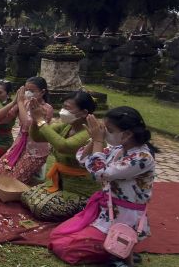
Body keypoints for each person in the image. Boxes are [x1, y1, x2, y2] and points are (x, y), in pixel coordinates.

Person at [48, 107, 156, 266]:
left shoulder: (142, 157)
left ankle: (120, 252)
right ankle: (117, 251)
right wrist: (94, 140)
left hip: (123, 218)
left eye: (109, 130)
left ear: (127, 134)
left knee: (65, 247)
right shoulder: (118, 149)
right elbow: (83, 158)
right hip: (105, 211)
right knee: (58, 234)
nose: (105, 133)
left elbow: (100, 172)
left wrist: (98, 141)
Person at [21, 91, 101, 221]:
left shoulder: (89, 134)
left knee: (42, 208)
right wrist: (36, 121)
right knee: (26, 196)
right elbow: (37, 137)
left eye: (68, 108)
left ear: (84, 113)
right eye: (63, 106)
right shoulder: (67, 126)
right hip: (59, 184)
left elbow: (63, 146)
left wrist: (41, 121)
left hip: (81, 192)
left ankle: (85, 207)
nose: (63, 111)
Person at [0, 77, 54, 184]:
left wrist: (20, 103)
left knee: (13, 181)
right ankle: (31, 177)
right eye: (26, 90)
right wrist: (14, 102)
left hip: (35, 152)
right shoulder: (24, 103)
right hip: (19, 146)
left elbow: (27, 126)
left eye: (32, 91)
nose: (28, 93)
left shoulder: (46, 109)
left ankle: (33, 177)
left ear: (42, 92)